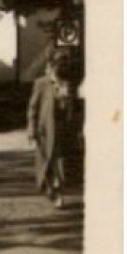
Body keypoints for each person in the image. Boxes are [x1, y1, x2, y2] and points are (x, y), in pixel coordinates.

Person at [27, 51, 81, 208]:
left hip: (64, 128)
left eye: (64, 65)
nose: (61, 68)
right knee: (49, 161)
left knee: (62, 162)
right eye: (59, 64)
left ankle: (58, 191)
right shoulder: (41, 83)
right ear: (52, 66)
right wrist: (31, 129)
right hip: (46, 130)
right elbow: (32, 108)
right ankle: (51, 189)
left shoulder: (68, 83)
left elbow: (73, 107)